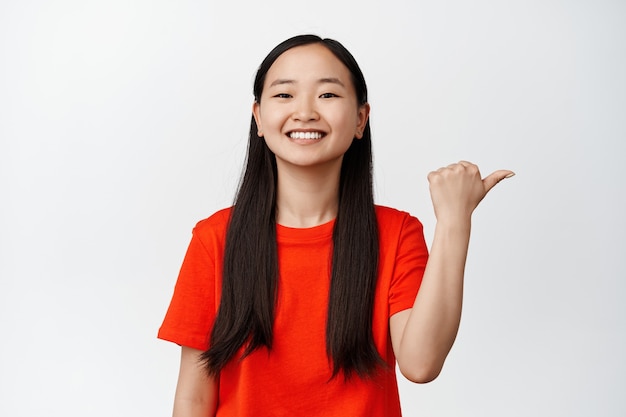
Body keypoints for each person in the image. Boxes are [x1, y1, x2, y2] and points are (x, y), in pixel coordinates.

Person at [158, 34, 513, 417]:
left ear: (361, 119)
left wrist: (454, 220)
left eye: (327, 95)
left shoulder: (396, 234)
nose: (306, 112)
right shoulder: (215, 239)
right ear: (259, 118)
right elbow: (193, 398)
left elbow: (421, 364)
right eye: (284, 95)